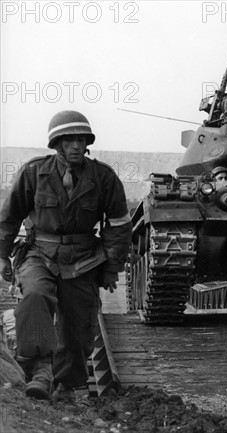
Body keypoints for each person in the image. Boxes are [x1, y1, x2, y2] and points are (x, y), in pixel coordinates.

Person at [0, 110, 132, 401]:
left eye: (80, 139)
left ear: (87, 143)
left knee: (77, 324)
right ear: (56, 144)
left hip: (84, 258)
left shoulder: (103, 178)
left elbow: (120, 224)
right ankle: (40, 369)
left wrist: (112, 266)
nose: (75, 145)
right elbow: (9, 217)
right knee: (35, 298)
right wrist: (2, 255)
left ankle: (68, 385)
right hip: (39, 253)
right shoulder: (34, 172)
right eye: (68, 139)